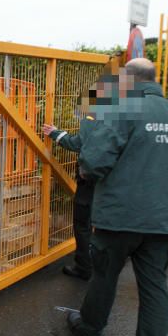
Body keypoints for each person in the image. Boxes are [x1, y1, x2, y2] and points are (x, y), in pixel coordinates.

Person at [65, 58, 168, 336]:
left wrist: (88, 171)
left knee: (105, 275)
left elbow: (95, 158)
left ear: (129, 79)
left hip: (123, 215)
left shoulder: (125, 108)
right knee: (154, 287)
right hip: (164, 219)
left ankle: (90, 329)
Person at [41, 74, 118, 281]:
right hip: (113, 179)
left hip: (91, 177)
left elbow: (78, 144)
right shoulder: (122, 116)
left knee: (83, 223)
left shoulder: (92, 118)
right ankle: (107, 263)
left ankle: (85, 267)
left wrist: (56, 134)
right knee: (103, 222)